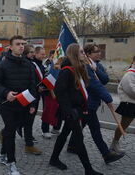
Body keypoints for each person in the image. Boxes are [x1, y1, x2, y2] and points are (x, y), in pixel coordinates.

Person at [49, 44, 102, 175]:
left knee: (64, 134)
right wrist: (69, 110)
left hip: (76, 109)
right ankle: (88, 170)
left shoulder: (78, 68)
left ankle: (53, 159)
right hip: (70, 111)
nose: (84, 54)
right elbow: (59, 91)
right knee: (78, 138)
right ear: (74, 54)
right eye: (82, 52)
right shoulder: (67, 71)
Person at [67, 44, 124, 164]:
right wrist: (108, 98)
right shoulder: (85, 66)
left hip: (92, 103)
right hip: (88, 103)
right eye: (96, 52)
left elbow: (105, 80)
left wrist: (96, 69)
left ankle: (72, 146)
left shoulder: (96, 65)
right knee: (95, 130)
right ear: (88, 54)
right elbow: (94, 84)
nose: (99, 53)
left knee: (79, 126)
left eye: (99, 51)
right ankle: (106, 154)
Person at [0, 36, 37, 175]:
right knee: (11, 132)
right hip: (7, 104)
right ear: (11, 47)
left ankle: (2, 154)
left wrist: (33, 103)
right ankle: (12, 164)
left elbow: (32, 85)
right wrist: (6, 93)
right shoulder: (3, 64)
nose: (21, 46)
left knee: (10, 129)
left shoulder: (29, 64)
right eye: (18, 44)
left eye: (23, 44)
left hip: (23, 104)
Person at [19, 44, 42, 155]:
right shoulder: (25, 63)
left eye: (34, 52)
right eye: (31, 52)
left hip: (33, 94)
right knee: (27, 120)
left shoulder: (32, 63)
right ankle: (29, 144)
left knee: (28, 120)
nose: (33, 54)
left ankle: (29, 143)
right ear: (26, 53)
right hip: (27, 95)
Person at [110, 56, 135, 153]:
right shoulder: (130, 74)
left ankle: (114, 144)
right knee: (124, 125)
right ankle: (114, 144)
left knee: (125, 125)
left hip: (132, 103)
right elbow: (131, 91)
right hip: (129, 104)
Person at [32, 46, 51, 139]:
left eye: (44, 54)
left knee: (45, 109)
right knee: (30, 113)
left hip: (43, 91)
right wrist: (37, 87)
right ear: (35, 54)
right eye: (42, 54)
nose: (44, 56)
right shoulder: (32, 64)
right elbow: (30, 79)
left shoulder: (43, 65)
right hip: (33, 92)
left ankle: (45, 130)